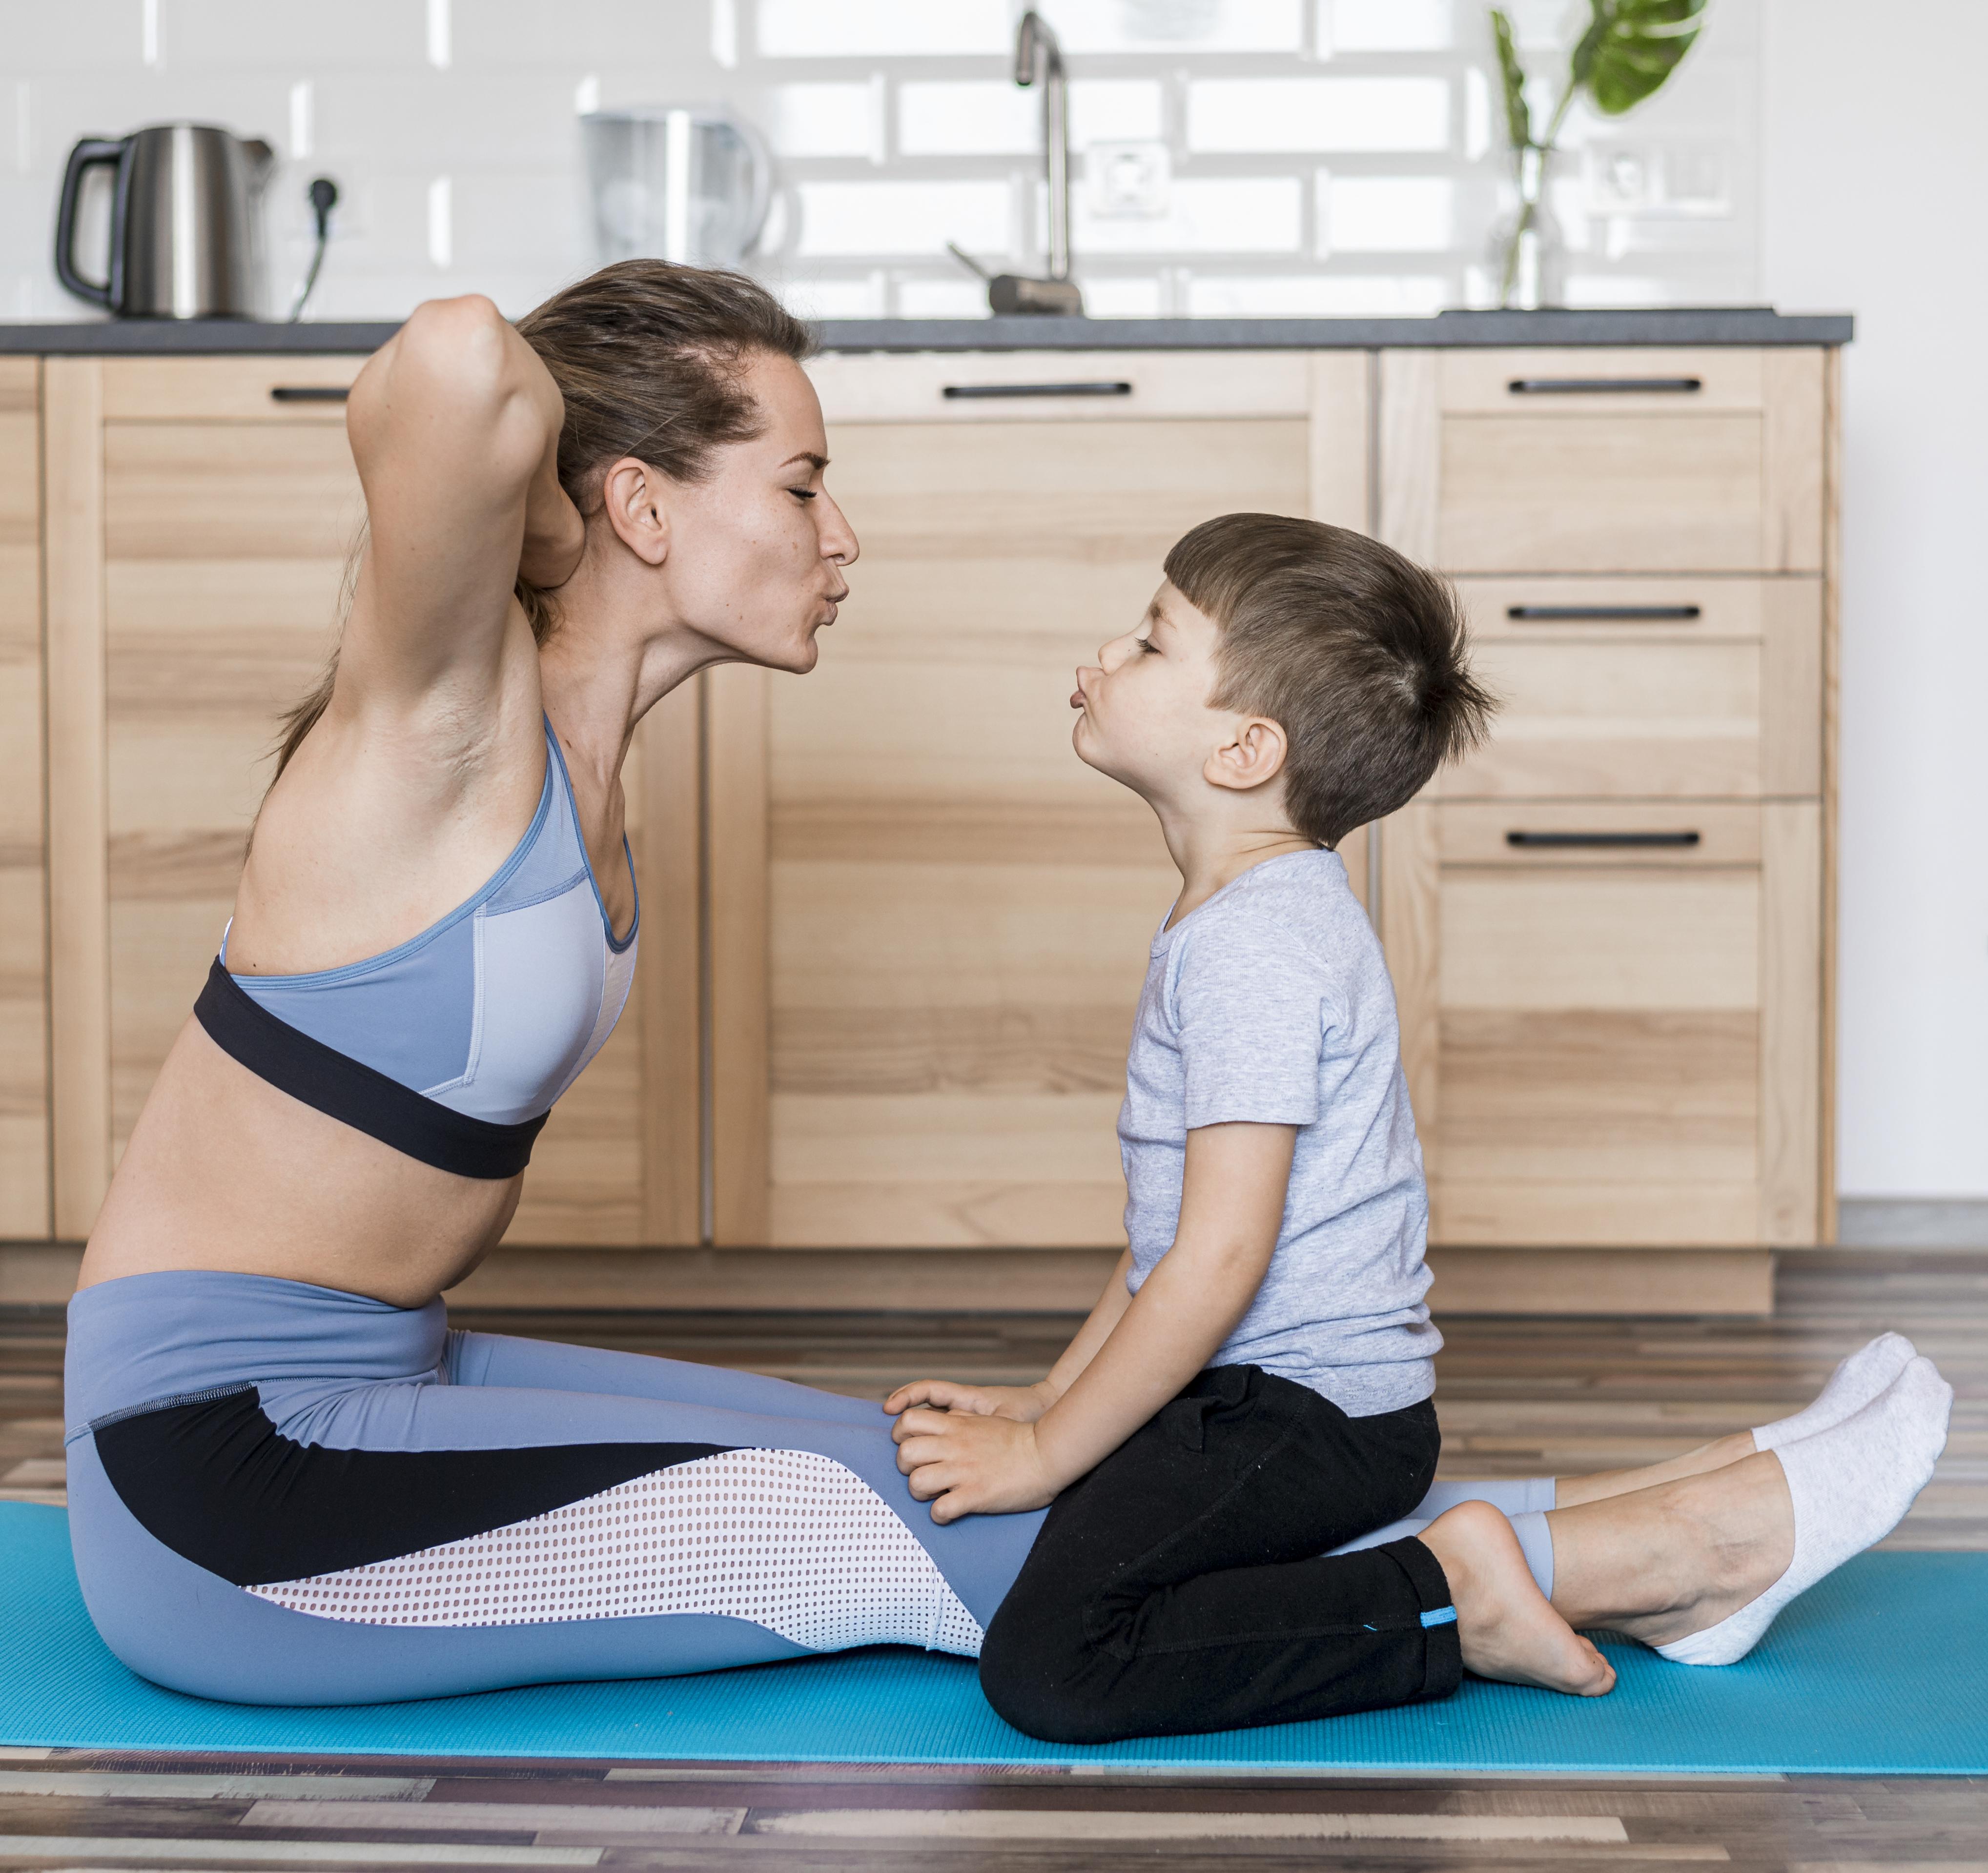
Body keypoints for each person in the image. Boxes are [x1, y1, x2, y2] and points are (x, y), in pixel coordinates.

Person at [60, 263, 1947, 1723]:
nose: (842, 533)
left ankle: (1681, 1504)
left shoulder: (574, 755)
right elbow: (460, 363)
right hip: (225, 1476)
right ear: (640, 509)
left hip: (385, 1379)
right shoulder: (438, 731)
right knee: (920, 1544)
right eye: (800, 481)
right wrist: (542, 511)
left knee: (932, 1475)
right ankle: (1667, 1547)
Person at [884, 516, 1952, 1741]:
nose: (1103, 654)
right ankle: (1673, 1515)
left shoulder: (1251, 949)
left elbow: (1217, 1262)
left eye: (1149, 641)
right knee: (1098, 1536)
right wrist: (1046, 1399)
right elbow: (1170, 1240)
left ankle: (1453, 1601)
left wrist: (1044, 1454)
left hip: (1302, 1414)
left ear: (1243, 747)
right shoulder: (1253, 914)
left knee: (1055, 1662)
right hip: (1284, 1399)